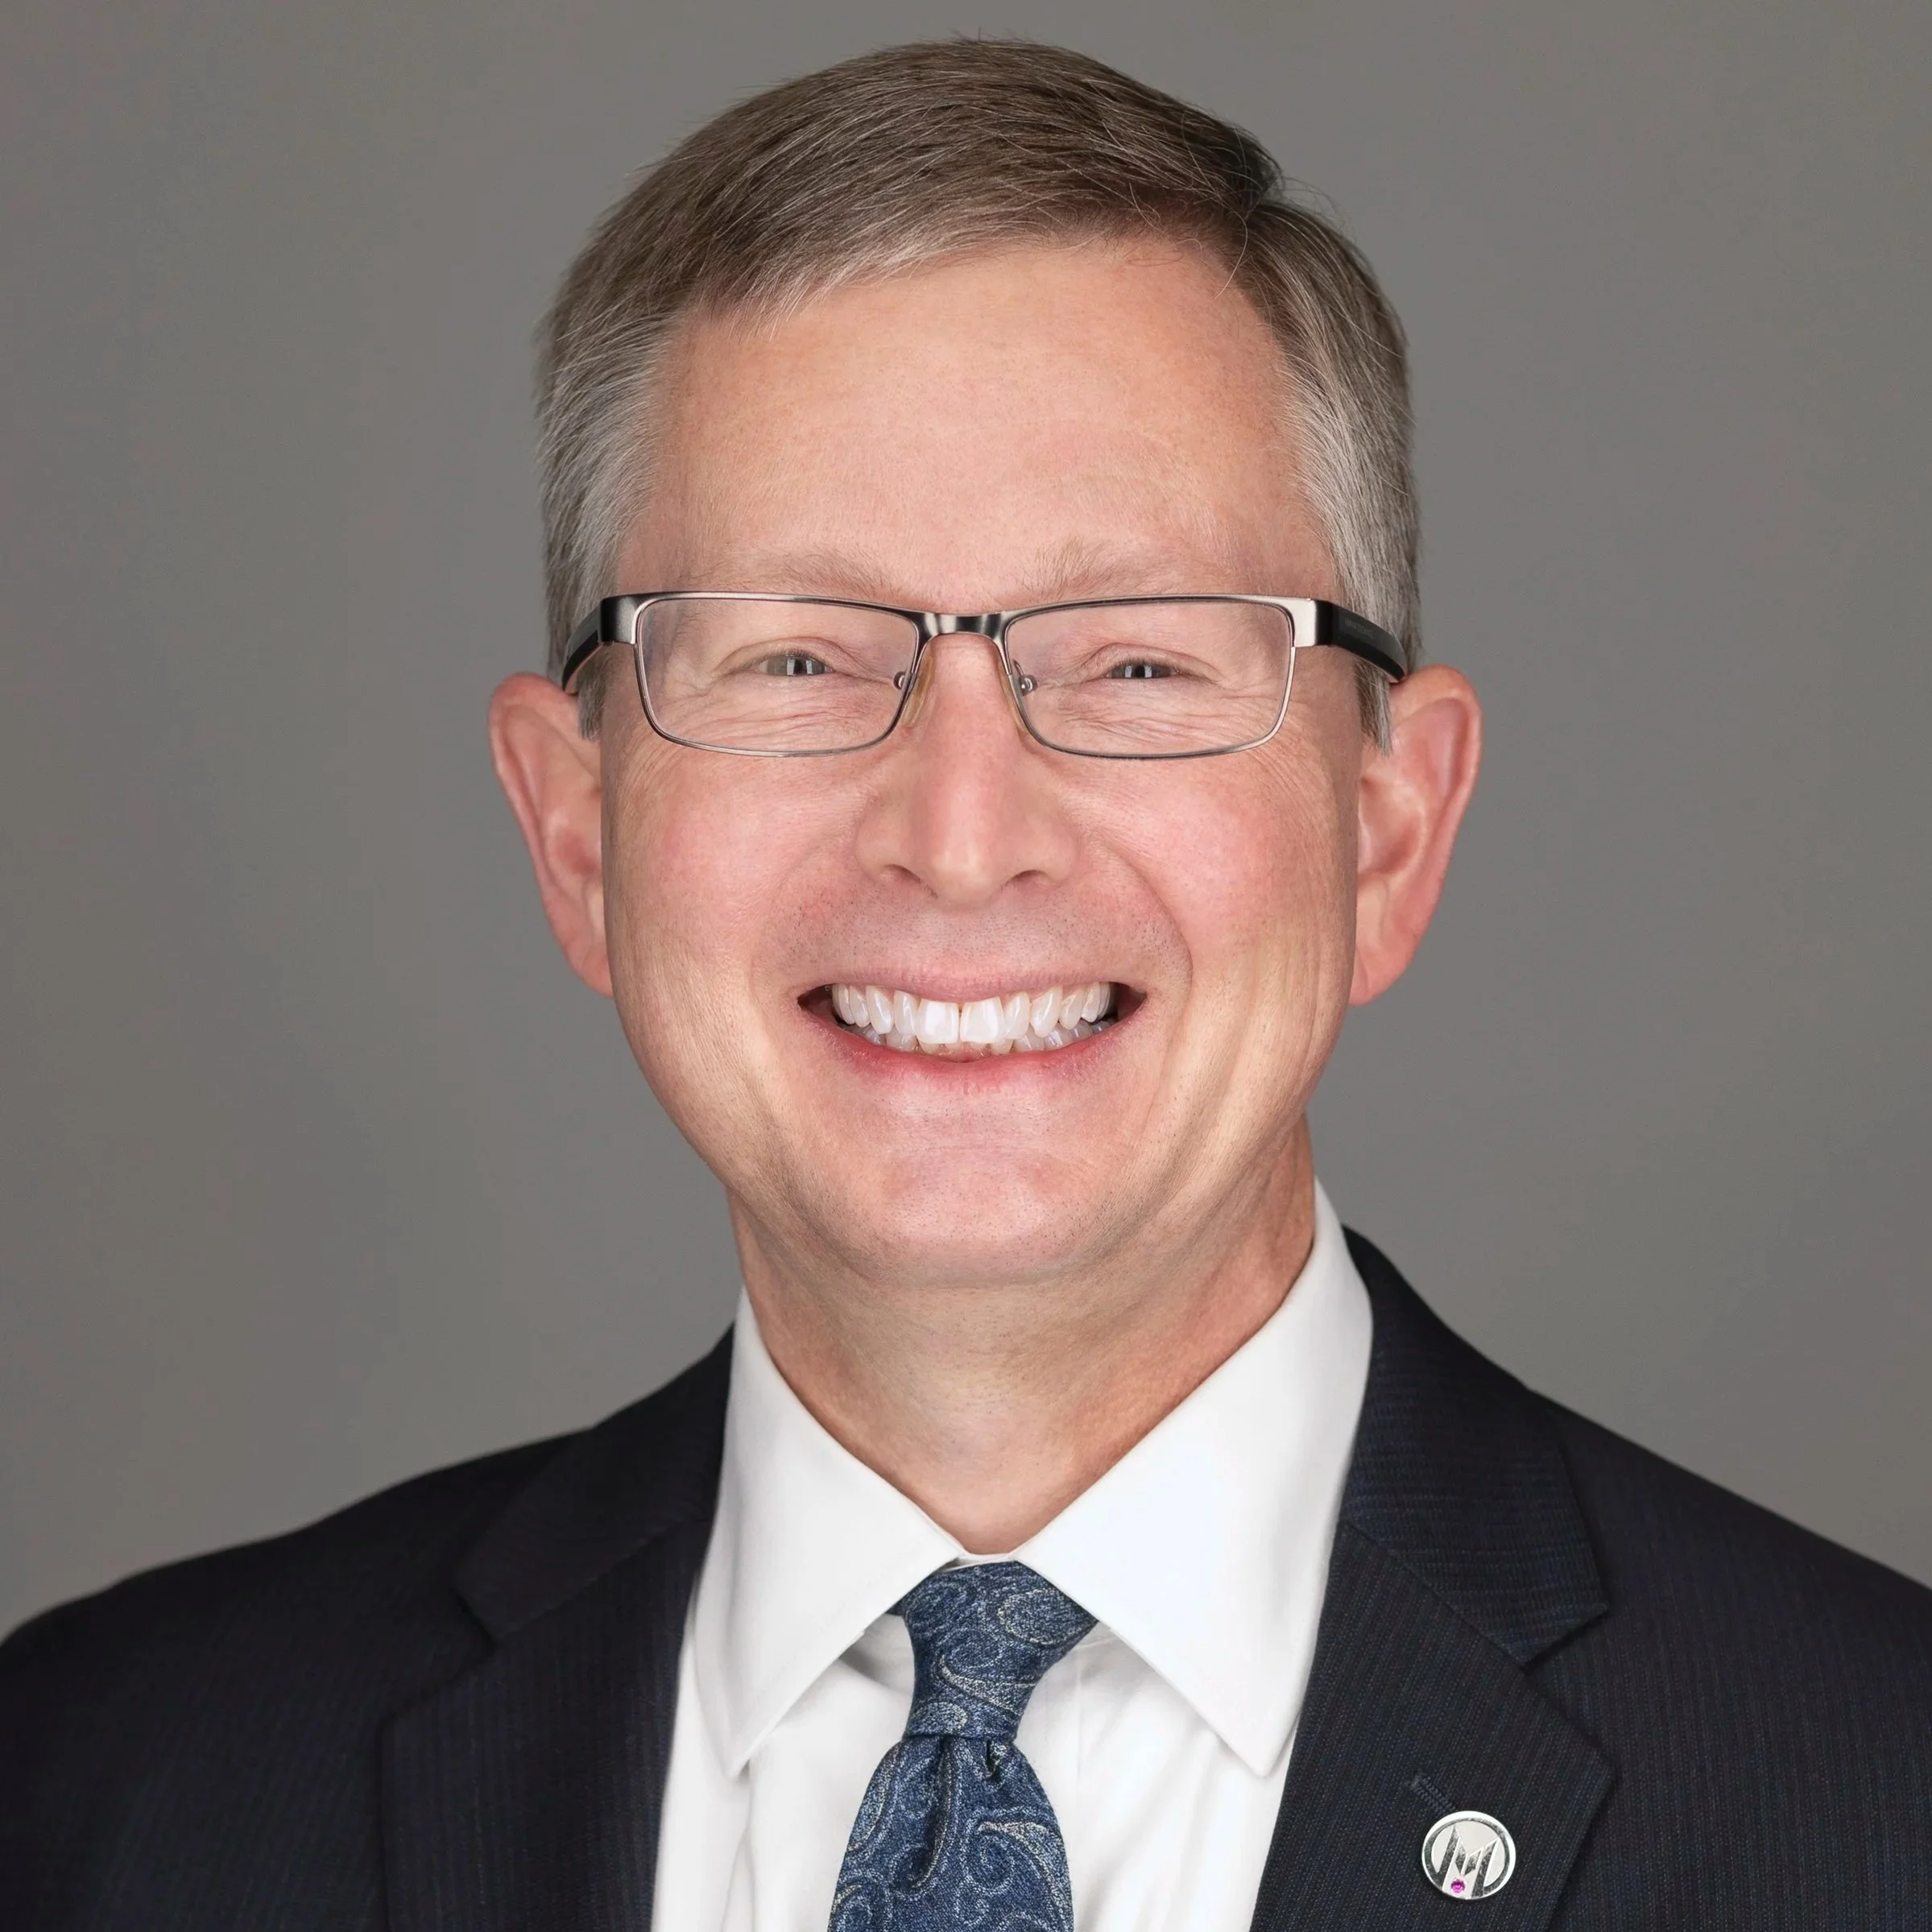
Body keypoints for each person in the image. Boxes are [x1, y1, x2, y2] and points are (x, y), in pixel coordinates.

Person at [3, 38, 1927, 1932]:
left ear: (1384, 827)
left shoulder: (1874, 1794)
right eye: (793, 659)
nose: (958, 831)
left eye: (1137, 660)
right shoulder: (103, 1788)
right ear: (576, 831)